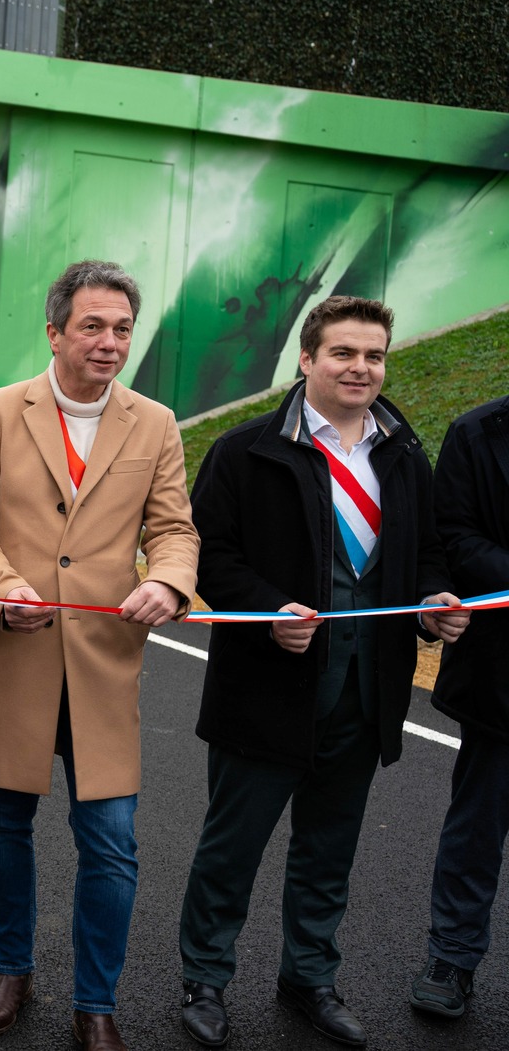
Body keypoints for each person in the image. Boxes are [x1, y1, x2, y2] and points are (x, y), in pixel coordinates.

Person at [176, 295, 468, 1049]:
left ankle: (309, 977)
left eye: (374, 355)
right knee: (232, 848)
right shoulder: (245, 450)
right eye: (343, 353)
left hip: (366, 693)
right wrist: (267, 610)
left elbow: (427, 552)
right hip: (266, 690)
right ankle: (205, 978)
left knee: (328, 851)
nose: (360, 368)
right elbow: (208, 553)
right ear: (306, 359)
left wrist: (433, 600)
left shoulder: (403, 453)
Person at [0, 260, 199, 1051]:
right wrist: (2, 582)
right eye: (93, 325)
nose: (109, 341)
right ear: (55, 332)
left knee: (113, 842)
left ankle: (96, 1002)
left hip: (103, 663)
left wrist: (168, 580)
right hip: (12, 653)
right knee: (4, 824)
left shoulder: (155, 423)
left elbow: (174, 529)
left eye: (122, 328)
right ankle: (12, 970)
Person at [409, 393, 509, 1020]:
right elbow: (453, 536)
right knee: (478, 828)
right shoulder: (476, 432)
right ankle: (452, 956)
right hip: (501, 677)